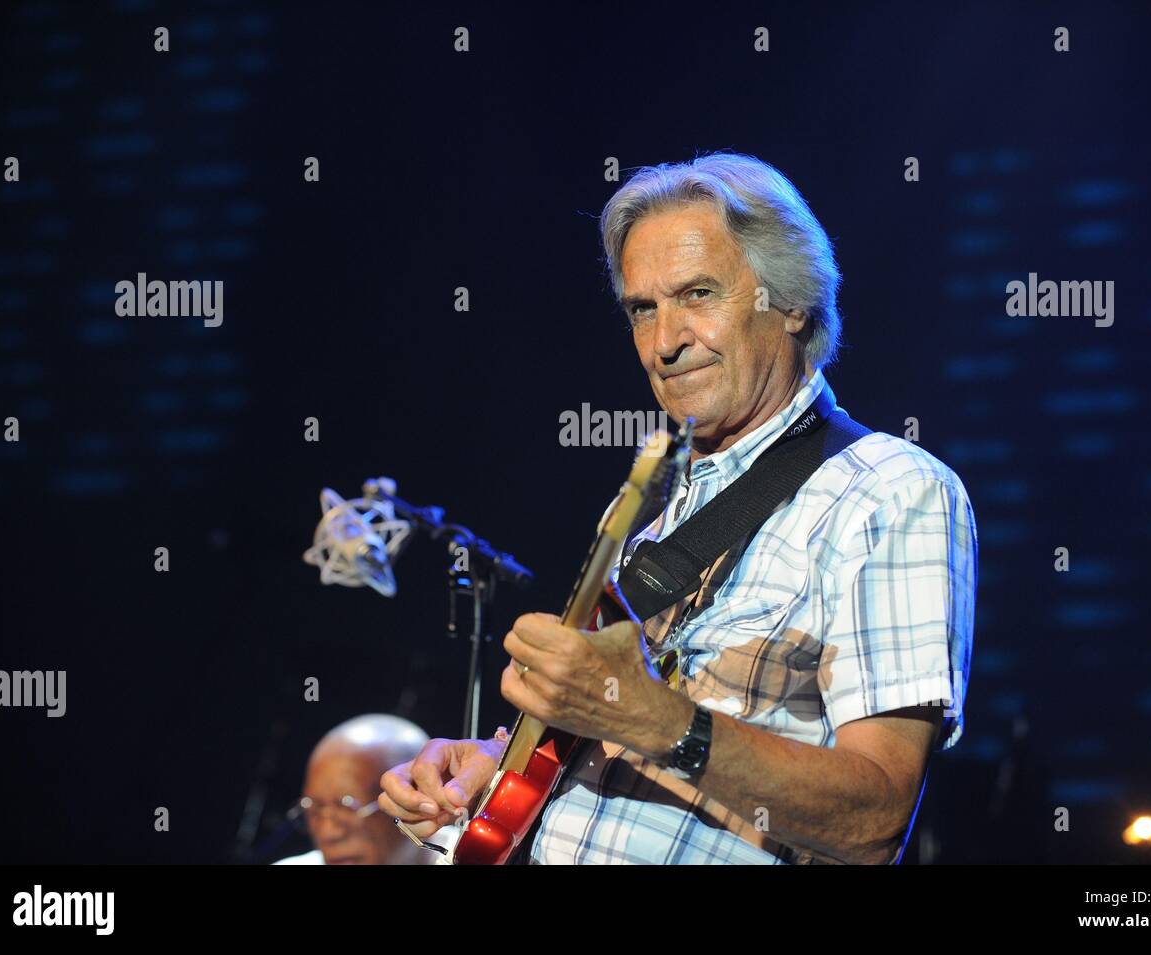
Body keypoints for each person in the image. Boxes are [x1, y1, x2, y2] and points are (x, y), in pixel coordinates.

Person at [379, 153, 978, 864]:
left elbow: (876, 816)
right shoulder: (650, 500)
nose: (665, 342)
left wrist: (660, 719)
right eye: (643, 309)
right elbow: (603, 733)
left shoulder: (892, 489)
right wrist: (495, 763)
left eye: (698, 294)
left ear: (791, 302)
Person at [275, 714, 451, 865]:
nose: (329, 833)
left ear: (417, 799)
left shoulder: (469, 855)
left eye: (347, 807)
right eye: (315, 810)